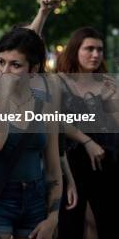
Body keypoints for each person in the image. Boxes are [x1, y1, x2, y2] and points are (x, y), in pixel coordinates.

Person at [0, 27, 62, 239]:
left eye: (15, 65)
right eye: (1, 62)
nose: (4, 70)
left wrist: (53, 217)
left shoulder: (45, 106)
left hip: (35, 198)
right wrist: (4, 93)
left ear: (33, 69)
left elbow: (53, 168)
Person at [56, 27, 119, 239]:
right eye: (89, 49)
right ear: (75, 50)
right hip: (71, 162)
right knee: (70, 224)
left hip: (106, 159)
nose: (95, 54)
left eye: (99, 50)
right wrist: (86, 141)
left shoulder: (106, 82)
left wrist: (112, 99)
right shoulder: (59, 81)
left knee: (108, 223)